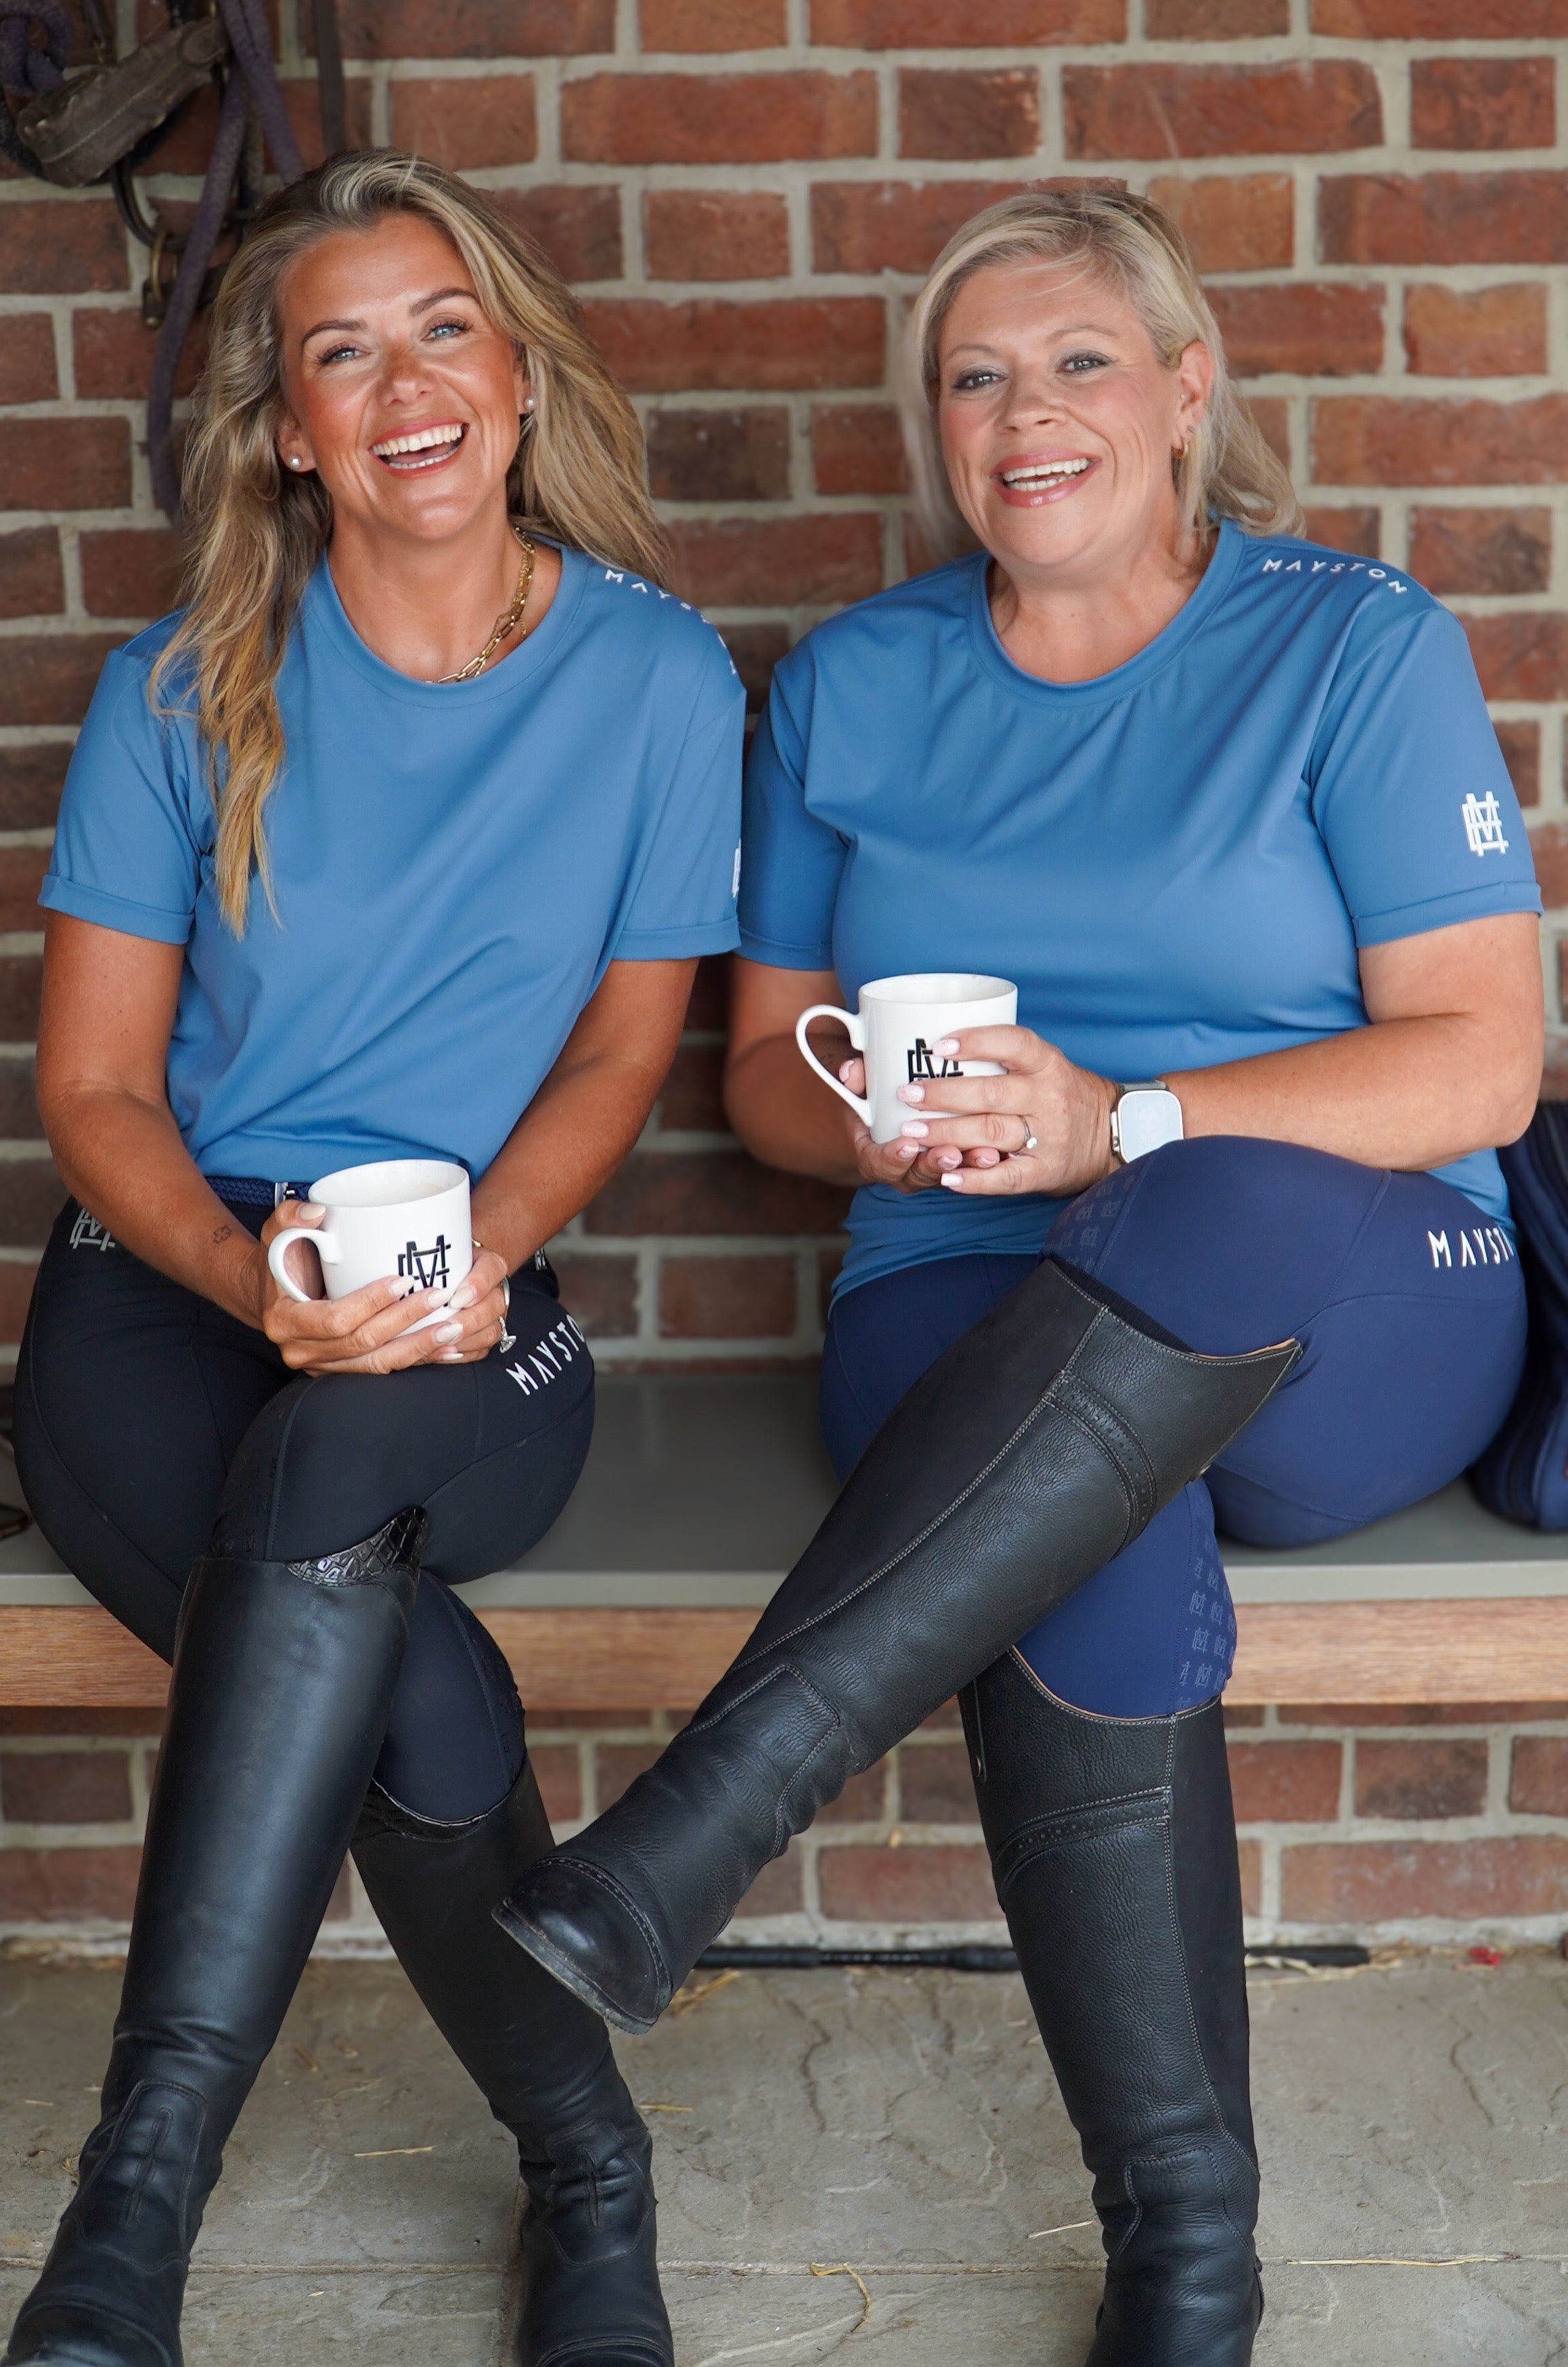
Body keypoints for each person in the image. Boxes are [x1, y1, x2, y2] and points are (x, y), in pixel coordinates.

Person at [493, 187, 1542, 2364]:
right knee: (1084, 1506)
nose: (1024, 411)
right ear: (936, 431)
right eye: (974, 376)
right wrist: (875, 1121)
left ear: (1187, 392)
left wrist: (1122, 1118)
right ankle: (1187, 2250)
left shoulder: (1352, 643)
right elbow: (770, 1083)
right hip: (964, 1295)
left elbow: (1485, 1050)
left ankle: (707, 1814)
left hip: (1354, 1292)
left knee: (1199, 1190)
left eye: (1076, 361)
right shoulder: (859, 683)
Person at [4, 149, 742, 2367]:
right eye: (343, 351)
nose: (403, 382)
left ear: (514, 376)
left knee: (337, 1492)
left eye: (442, 329)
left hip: (476, 1306)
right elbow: (102, 1095)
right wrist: (257, 1289)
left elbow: (628, 1046)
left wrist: (479, 1260)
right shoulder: (175, 691)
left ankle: (131, 2217)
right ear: (291, 430)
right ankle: (588, 2170)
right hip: (175, 1298)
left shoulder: (657, 680)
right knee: (409, 1671)